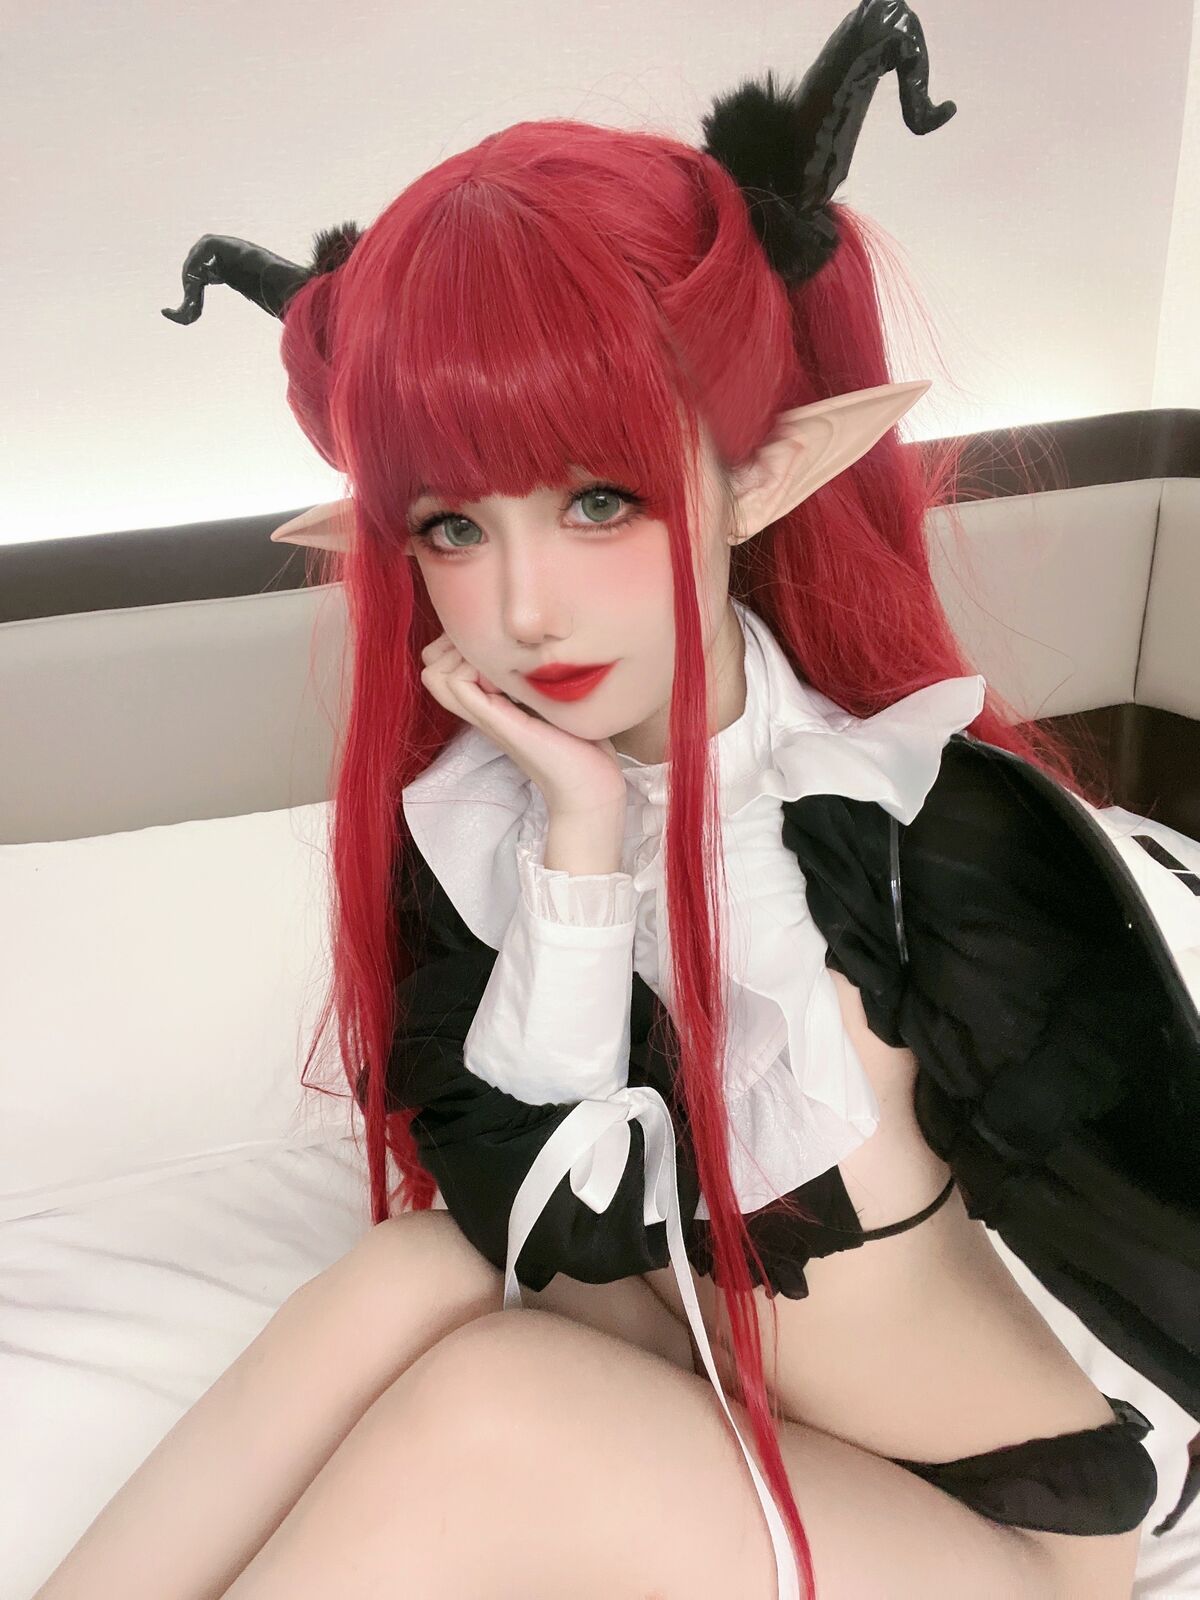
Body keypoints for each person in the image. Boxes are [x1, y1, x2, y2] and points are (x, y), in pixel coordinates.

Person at [36, 3, 1200, 1597]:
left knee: (496, 1406)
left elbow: (1167, 1230)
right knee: (417, 1271)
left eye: (598, 499)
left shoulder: (926, 834)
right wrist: (581, 843)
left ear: (760, 476)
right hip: (723, 1411)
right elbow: (551, 1222)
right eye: (453, 527)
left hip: (995, 1532)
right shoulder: (482, 831)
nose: (524, 608)